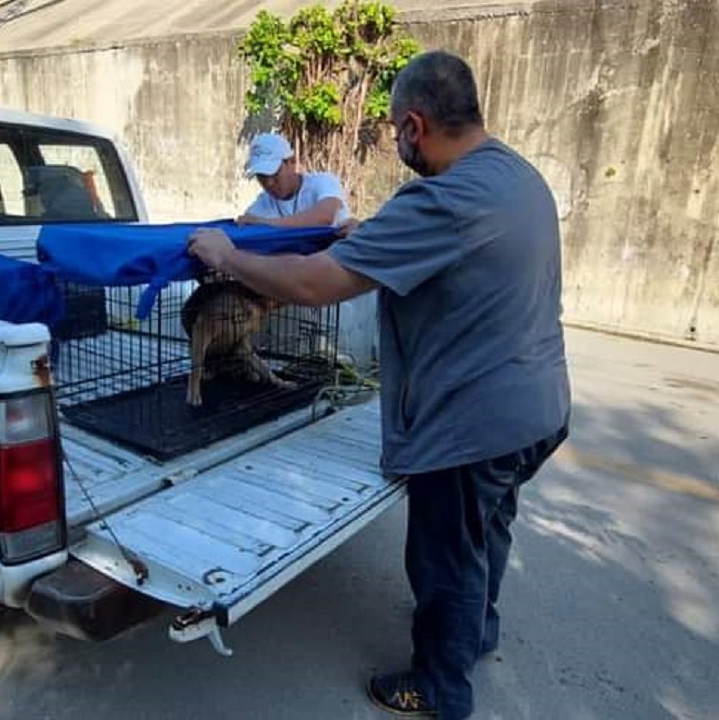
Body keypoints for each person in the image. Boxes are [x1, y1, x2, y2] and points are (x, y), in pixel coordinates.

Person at [188, 50, 570, 719]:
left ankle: (440, 688)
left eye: (395, 130)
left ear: (415, 126)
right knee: (488, 528)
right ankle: (477, 632)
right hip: (539, 409)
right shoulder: (515, 174)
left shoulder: (443, 199)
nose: (395, 142)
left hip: (472, 424)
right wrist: (372, 235)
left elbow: (314, 284)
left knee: (445, 558)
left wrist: (228, 256)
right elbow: (449, 250)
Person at [236, 132, 352, 229]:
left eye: (275, 174)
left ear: (292, 162)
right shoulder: (262, 205)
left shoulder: (324, 182)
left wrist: (266, 223)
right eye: (262, 176)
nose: (269, 183)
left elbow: (324, 217)